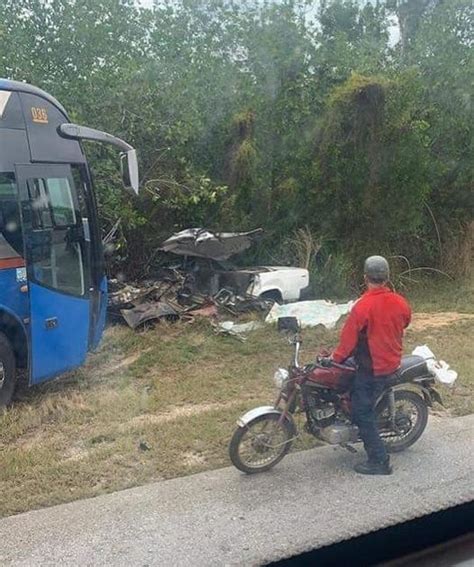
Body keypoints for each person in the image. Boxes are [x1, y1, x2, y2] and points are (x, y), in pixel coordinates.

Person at [321, 256, 411, 475]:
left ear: (365, 278)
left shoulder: (363, 306)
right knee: (350, 390)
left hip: (373, 370)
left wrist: (334, 359)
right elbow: (406, 321)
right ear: (387, 277)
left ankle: (380, 461)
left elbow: (348, 342)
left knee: (362, 412)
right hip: (392, 362)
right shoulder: (401, 302)